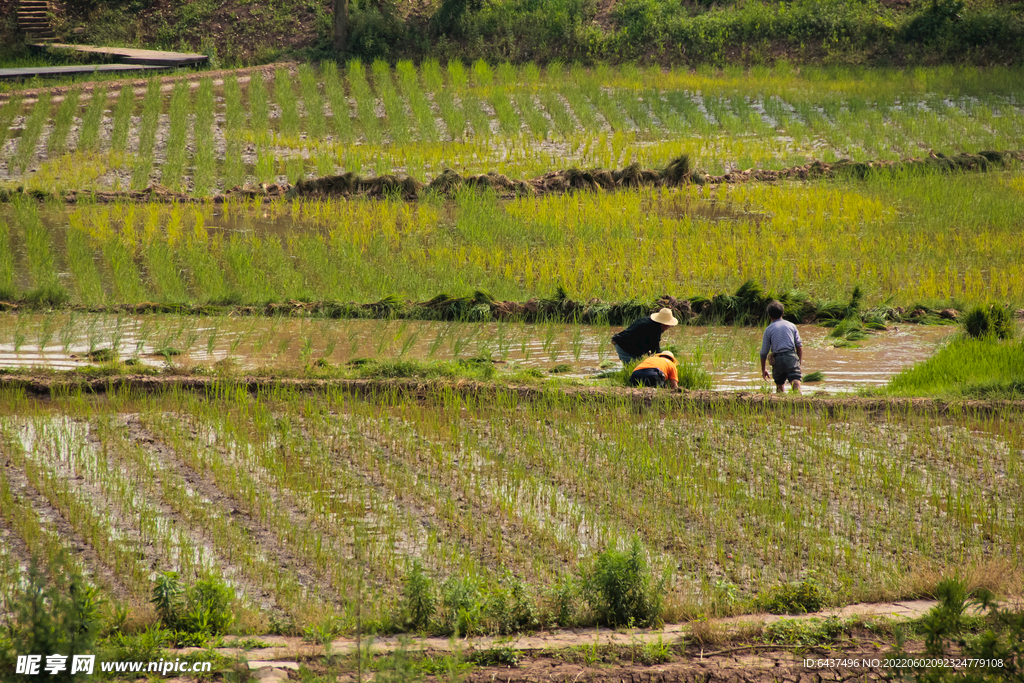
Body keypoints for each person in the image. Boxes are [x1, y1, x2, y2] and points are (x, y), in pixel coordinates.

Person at [759, 300, 802, 393]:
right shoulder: (792, 326)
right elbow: (799, 346)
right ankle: (800, 401)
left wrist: (763, 369)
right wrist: (799, 362)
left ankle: (781, 402)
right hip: (791, 356)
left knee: (779, 383)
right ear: (783, 313)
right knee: (795, 380)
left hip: (777, 359)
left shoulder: (768, 329)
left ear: (769, 316)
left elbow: (763, 352)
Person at [611, 307, 678, 365]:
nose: (668, 328)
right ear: (664, 324)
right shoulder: (654, 329)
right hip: (623, 345)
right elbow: (655, 349)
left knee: (641, 365)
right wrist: (662, 361)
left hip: (633, 345)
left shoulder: (652, 324)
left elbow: (643, 339)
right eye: (668, 326)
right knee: (633, 368)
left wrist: (647, 352)